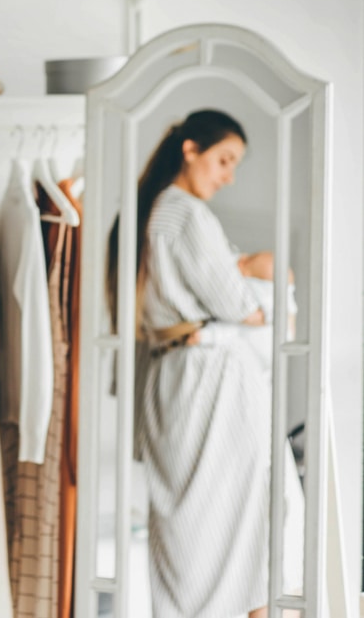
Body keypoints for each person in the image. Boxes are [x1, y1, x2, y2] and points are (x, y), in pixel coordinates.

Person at [108, 109, 300, 618]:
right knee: (238, 507)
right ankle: (250, 608)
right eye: (223, 160)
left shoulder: (146, 210)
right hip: (207, 381)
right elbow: (240, 305)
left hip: (170, 375)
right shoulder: (186, 213)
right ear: (190, 150)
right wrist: (253, 281)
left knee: (186, 516)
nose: (228, 176)